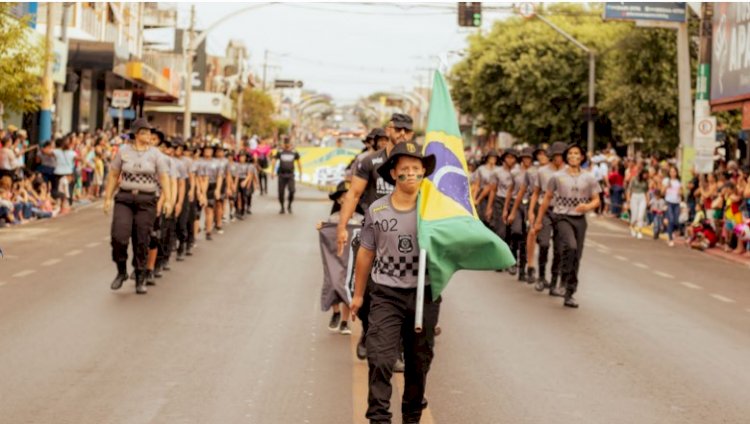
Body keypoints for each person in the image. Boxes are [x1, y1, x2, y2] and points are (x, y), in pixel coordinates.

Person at [350, 140, 438, 424]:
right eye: (405, 169)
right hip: (386, 294)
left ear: (424, 173)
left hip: (424, 294)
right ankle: (379, 418)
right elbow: (366, 253)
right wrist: (359, 295)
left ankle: (412, 417)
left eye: (417, 168)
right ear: (393, 174)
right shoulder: (376, 210)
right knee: (381, 358)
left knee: (418, 363)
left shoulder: (434, 211)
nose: (411, 173)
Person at [337, 114, 415, 363]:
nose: (403, 134)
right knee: (365, 292)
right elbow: (354, 194)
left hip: (407, 236)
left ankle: (398, 348)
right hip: (373, 235)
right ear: (388, 130)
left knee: (404, 292)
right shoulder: (369, 161)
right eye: (398, 129)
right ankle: (368, 333)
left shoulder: (416, 163)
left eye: (407, 130)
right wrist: (342, 226)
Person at [104, 118, 171, 295]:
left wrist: (168, 199)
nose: (148, 135)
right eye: (144, 132)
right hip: (125, 198)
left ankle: (140, 277)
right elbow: (113, 175)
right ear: (135, 134)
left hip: (147, 200)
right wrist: (107, 198)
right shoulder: (123, 152)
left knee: (142, 239)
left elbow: (164, 178)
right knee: (119, 236)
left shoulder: (156, 154)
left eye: (149, 132)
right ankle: (121, 270)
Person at [534, 143, 600, 308]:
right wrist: (538, 220)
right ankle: (562, 280)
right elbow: (547, 198)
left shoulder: (589, 177)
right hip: (562, 217)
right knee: (570, 246)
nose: (573, 156)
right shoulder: (557, 177)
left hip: (580, 219)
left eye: (576, 153)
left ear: (582, 157)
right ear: (566, 157)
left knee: (576, 255)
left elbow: (597, 199)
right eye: (570, 153)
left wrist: (588, 207)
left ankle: (569, 292)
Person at [506, 147, 534, 282]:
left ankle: (522, 270)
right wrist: (507, 210)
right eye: (525, 157)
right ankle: (512, 259)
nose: (527, 160)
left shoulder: (535, 173)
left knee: (525, 238)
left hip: (529, 206)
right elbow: (510, 191)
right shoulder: (515, 172)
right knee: (516, 232)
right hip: (516, 204)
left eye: (529, 158)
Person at [486, 148, 517, 272]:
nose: (510, 160)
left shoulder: (518, 172)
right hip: (500, 201)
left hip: (514, 202)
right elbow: (493, 189)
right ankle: (499, 259)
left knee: (513, 232)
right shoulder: (497, 172)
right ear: (504, 158)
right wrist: (489, 207)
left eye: (513, 157)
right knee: (501, 232)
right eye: (508, 157)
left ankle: (511, 260)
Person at [271, 139, 302, 214]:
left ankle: (289, 205)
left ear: (290, 143)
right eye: (285, 143)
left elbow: (299, 162)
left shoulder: (294, 152)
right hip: (281, 175)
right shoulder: (280, 152)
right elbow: (274, 161)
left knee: (292, 190)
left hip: (290, 175)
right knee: (281, 192)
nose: (286, 145)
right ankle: (282, 207)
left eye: (288, 143)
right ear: (283, 144)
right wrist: (272, 172)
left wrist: (301, 172)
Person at [473, 149, 499, 228]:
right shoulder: (481, 169)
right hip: (482, 195)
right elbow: (477, 184)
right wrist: (474, 198)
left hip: (495, 195)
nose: (493, 159)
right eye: (491, 157)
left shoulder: (498, 169)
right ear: (487, 158)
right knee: (482, 217)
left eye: (495, 158)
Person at [662, 166, 682, 247]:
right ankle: (670, 238)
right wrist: (667, 186)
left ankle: (670, 231)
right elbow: (662, 192)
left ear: (676, 173)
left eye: (674, 171)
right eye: (671, 171)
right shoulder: (666, 180)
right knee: (671, 219)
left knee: (676, 220)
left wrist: (680, 193)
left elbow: (681, 192)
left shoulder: (678, 182)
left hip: (676, 203)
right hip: (669, 202)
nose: (673, 173)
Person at [627, 168, 650, 239]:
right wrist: (628, 199)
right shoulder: (634, 179)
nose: (645, 176)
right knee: (634, 215)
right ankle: (632, 227)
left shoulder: (646, 182)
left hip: (642, 197)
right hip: (634, 196)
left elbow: (646, 192)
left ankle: (639, 231)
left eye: (647, 175)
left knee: (641, 215)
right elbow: (629, 189)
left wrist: (647, 200)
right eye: (644, 174)